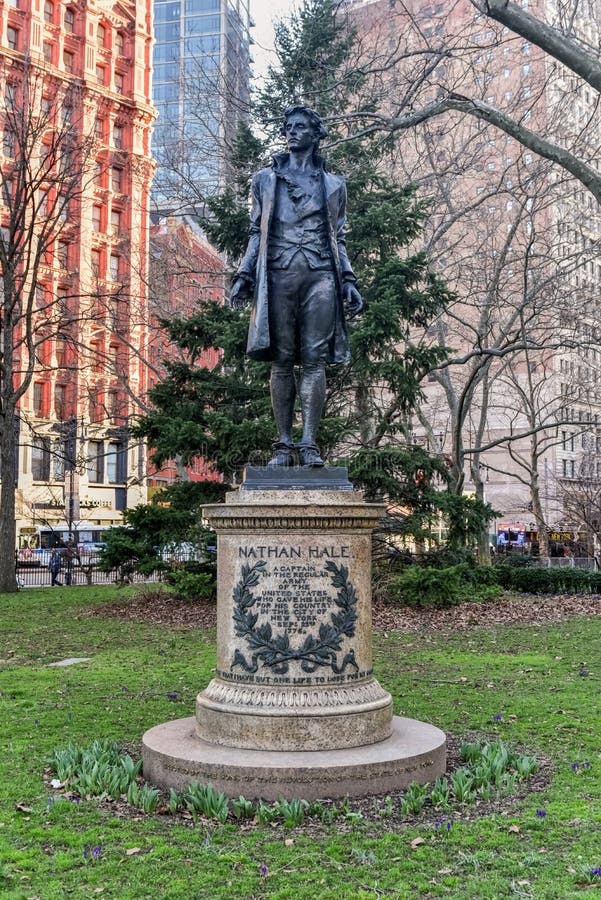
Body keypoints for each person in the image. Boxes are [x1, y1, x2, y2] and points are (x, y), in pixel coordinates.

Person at [229, 105, 363, 467]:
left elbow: (339, 236)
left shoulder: (334, 185)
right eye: (288, 126)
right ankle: (284, 446)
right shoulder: (265, 180)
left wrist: (348, 279)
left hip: (321, 275)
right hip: (278, 274)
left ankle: (309, 445)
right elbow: (256, 230)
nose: (292, 132)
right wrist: (244, 274)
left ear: (316, 135)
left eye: (300, 127)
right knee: (283, 359)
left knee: (315, 360)